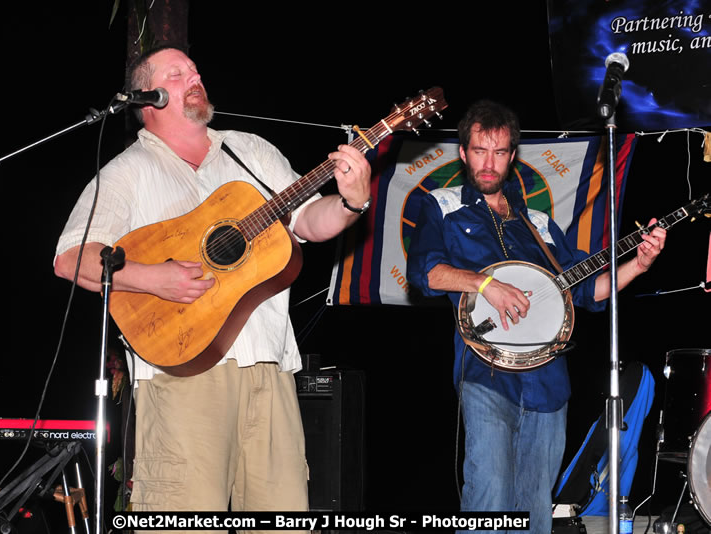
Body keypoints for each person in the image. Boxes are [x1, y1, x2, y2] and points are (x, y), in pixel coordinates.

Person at [54, 46, 371, 522]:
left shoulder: (251, 151)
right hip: (181, 375)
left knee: (282, 523)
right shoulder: (127, 173)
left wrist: (351, 203)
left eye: (196, 70)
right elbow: (71, 258)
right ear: (148, 97)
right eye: (178, 74)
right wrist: (151, 278)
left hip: (270, 368)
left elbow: (307, 221)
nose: (195, 77)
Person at [406, 100, 666, 533]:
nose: (489, 164)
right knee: (489, 500)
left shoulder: (540, 224)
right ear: (463, 152)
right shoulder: (443, 206)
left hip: (549, 384)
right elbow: (424, 273)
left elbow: (589, 290)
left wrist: (638, 264)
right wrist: (486, 284)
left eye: (500, 152)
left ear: (513, 155)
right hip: (487, 374)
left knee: (534, 514)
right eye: (479, 151)